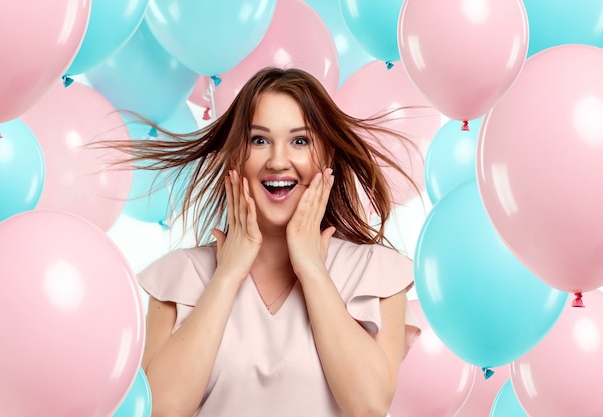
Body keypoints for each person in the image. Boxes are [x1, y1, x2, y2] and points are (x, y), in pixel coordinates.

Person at [117, 67, 421, 417]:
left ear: (327, 157)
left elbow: (369, 406)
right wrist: (228, 274)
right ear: (235, 158)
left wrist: (312, 270)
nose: (278, 161)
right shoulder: (180, 277)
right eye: (259, 140)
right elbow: (161, 410)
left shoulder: (375, 273)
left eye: (300, 141)